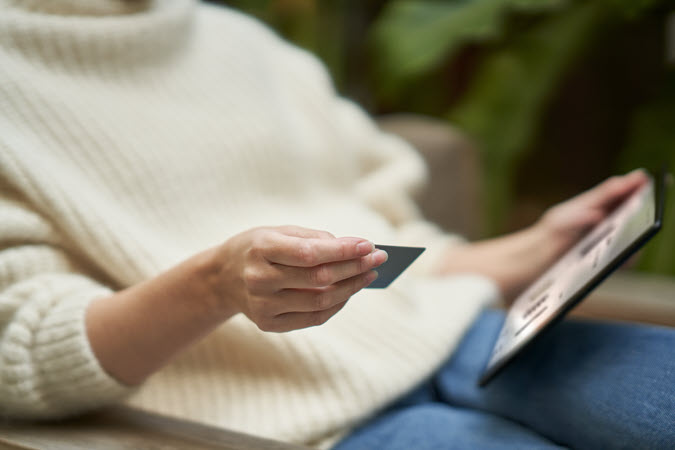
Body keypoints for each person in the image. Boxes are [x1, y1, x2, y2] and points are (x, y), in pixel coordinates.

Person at [0, 1, 672, 449]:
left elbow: (385, 249)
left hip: (464, 334)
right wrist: (215, 285)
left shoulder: (241, 42)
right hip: (303, 421)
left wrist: (529, 249)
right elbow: (22, 359)